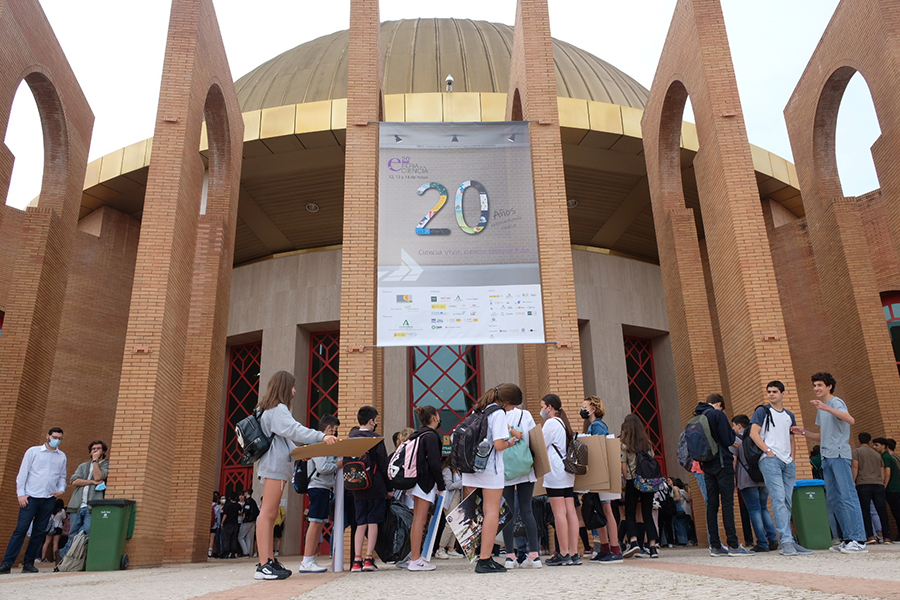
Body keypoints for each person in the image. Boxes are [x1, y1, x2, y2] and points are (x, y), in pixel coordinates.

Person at [254, 370, 336, 580]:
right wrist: (321, 436)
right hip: (274, 467)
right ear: (284, 386)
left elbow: (285, 439)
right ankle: (264, 564)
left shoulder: (268, 409)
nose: (294, 390)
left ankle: (268, 560)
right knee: (269, 513)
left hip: (275, 465)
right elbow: (294, 430)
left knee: (270, 513)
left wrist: (301, 454)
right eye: (292, 386)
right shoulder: (278, 408)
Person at [792, 372, 867, 553]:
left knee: (848, 496)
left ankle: (860, 540)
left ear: (829, 386)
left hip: (840, 456)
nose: (816, 389)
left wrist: (826, 408)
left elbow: (850, 420)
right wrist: (803, 432)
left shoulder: (836, 403)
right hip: (827, 457)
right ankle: (847, 539)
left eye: (819, 385)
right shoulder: (823, 408)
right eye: (814, 386)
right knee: (834, 499)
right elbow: (822, 436)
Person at [462, 383, 524, 573]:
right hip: (490, 469)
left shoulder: (480, 409)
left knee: (474, 513)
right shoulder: (498, 413)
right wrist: (512, 441)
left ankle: (477, 555)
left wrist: (510, 429)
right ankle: (485, 560)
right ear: (506, 402)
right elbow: (498, 445)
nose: (513, 409)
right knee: (492, 513)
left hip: (470, 468)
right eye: (513, 406)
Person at [748, 381, 810, 555]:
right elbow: (754, 433)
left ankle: (789, 539)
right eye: (769, 392)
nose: (771, 394)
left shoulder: (789, 415)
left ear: (782, 393)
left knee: (787, 500)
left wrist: (792, 458)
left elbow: (791, 438)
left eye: (775, 391)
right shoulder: (762, 411)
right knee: (778, 498)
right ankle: (786, 541)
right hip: (770, 460)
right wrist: (767, 451)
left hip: (787, 461)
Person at [1, 427, 68, 574]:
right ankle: (7, 563)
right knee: (21, 529)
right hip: (30, 497)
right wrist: (21, 494)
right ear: (48, 436)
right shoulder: (33, 451)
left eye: (60, 438)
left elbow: (62, 476)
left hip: (49, 498)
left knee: (39, 532)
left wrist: (61, 489)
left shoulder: (61, 456)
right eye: (55, 437)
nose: (57, 440)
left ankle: (29, 563)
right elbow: (23, 473)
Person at [695, 394, 753, 556]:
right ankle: (733, 545)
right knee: (727, 502)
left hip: (707, 464)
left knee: (711, 505)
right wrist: (731, 440)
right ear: (720, 404)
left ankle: (716, 546)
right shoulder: (717, 414)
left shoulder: (698, 416)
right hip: (722, 463)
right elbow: (727, 439)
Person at [348, 405, 391, 573]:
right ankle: (368, 558)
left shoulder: (351, 438)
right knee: (373, 522)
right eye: (376, 420)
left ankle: (356, 561)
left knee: (360, 523)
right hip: (375, 486)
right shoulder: (376, 439)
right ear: (372, 420)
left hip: (356, 486)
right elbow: (383, 465)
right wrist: (389, 488)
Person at [541, 393, 580, 566]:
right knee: (570, 511)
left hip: (555, 472)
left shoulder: (550, 423)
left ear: (550, 407)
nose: (542, 410)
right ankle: (574, 552)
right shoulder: (564, 423)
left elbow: (540, 444)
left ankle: (563, 553)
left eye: (543, 406)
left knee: (559, 513)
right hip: (567, 472)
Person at [581, 396, 622, 563]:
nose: (582, 409)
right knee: (602, 510)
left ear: (593, 409)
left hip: (602, 473)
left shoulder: (597, 425)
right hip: (601, 473)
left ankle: (614, 549)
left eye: (585, 406)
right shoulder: (593, 425)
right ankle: (606, 548)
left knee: (606, 510)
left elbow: (598, 446)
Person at [299, 414, 342, 573]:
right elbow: (323, 467)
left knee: (319, 522)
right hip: (318, 487)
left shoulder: (322, 443)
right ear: (329, 428)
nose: (335, 434)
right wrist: (338, 464)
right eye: (335, 430)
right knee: (315, 522)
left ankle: (310, 559)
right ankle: (307, 560)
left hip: (323, 488)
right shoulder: (319, 442)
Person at [501, 402, 541, 569]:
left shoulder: (498, 416)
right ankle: (534, 555)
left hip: (506, 468)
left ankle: (510, 556)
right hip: (525, 467)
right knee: (527, 510)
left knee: (508, 512)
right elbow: (534, 440)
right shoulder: (526, 415)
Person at [405, 405, 446, 571]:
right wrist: (441, 484)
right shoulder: (431, 436)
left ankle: (415, 556)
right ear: (435, 417)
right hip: (425, 482)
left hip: (416, 481)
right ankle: (415, 559)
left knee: (417, 520)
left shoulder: (418, 435)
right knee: (420, 521)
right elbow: (435, 464)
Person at [731, 415, 778, 553]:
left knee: (754, 510)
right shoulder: (757, 436)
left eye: (733, 425)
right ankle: (773, 539)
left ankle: (762, 542)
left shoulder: (736, 440)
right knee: (764, 508)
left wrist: (733, 479)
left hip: (746, 479)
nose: (733, 428)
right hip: (762, 478)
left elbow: (733, 460)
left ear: (739, 425)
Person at [59, 439, 109, 559]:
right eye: (93, 449)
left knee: (85, 532)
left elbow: (99, 476)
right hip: (77, 505)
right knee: (72, 534)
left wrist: (96, 461)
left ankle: (62, 554)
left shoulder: (107, 464)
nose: (95, 451)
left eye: (98, 449)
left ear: (103, 451)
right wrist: (92, 482)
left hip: (92, 506)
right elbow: (74, 481)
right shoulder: (83, 466)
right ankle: (66, 559)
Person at [619, 413, 660, 559]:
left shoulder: (624, 445)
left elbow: (624, 468)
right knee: (647, 513)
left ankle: (634, 541)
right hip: (648, 481)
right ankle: (653, 547)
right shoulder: (647, 443)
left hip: (633, 481)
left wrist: (627, 479)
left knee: (630, 512)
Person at [851, 432, 889, 544]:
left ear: (859, 440)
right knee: (882, 510)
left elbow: (855, 466)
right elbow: (882, 470)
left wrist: (853, 480)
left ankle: (870, 535)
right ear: (869, 441)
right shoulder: (877, 454)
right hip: (878, 484)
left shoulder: (856, 451)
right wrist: (881, 483)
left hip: (863, 483)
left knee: (865, 510)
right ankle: (886, 536)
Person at [434, 456, 463, 559]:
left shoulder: (458, 471)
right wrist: (463, 482)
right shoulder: (447, 470)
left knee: (455, 523)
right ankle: (440, 548)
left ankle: (451, 548)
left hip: (456, 497)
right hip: (449, 498)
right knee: (450, 523)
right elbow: (449, 486)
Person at [873, 437, 900, 543]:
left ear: (884, 446)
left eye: (876, 445)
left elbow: (887, 473)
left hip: (892, 489)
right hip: (896, 487)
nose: (874, 447)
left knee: (897, 512)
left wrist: (884, 486)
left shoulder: (885, 457)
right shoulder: (891, 456)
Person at [41, 499, 66, 563]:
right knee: (55, 543)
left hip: (49, 528)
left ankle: (43, 557)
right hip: (58, 527)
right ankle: (55, 558)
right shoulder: (62, 511)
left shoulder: (51, 510)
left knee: (46, 542)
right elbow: (64, 519)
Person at [220, 492, 242, 558]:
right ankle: (233, 553)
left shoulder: (227, 505)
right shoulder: (238, 505)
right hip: (235, 523)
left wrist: (222, 522)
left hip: (228, 523)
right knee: (234, 538)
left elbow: (225, 514)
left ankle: (226, 552)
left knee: (227, 538)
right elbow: (240, 512)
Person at [239, 490, 258, 558]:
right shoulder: (253, 501)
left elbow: (246, 511)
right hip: (252, 521)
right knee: (248, 537)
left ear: (246, 493)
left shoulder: (248, 501)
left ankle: (245, 552)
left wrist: (243, 519)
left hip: (247, 520)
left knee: (240, 537)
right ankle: (248, 552)